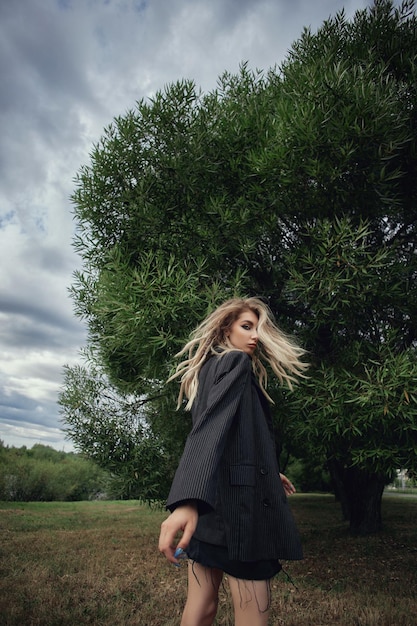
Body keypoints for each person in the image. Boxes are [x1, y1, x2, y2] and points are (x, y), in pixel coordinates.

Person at [158, 297, 308, 626]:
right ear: (227, 329)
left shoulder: (208, 369)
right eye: (246, 326)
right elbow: (209, 430)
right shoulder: (236, 362)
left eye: (259, 329)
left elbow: (230, 436)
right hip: (242, 515)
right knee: (253, 615)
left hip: (214, 510)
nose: (255, 336)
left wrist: (269, 471)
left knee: (200, 608)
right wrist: (186, 501)